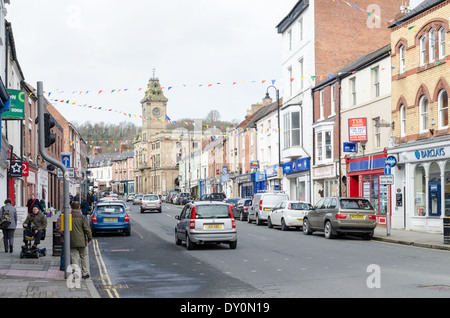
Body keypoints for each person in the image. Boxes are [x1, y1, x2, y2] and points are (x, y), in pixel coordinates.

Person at [69, 201, 92, 279]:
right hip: (82, 241)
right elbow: (87, 230)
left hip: (71, 241)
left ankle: (75, 273)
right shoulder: (82, 217)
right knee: (84, 257)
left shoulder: (68, 217)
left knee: (74, 257)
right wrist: (89, 239)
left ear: (71, 207)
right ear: (79, 207)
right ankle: (85, 273)